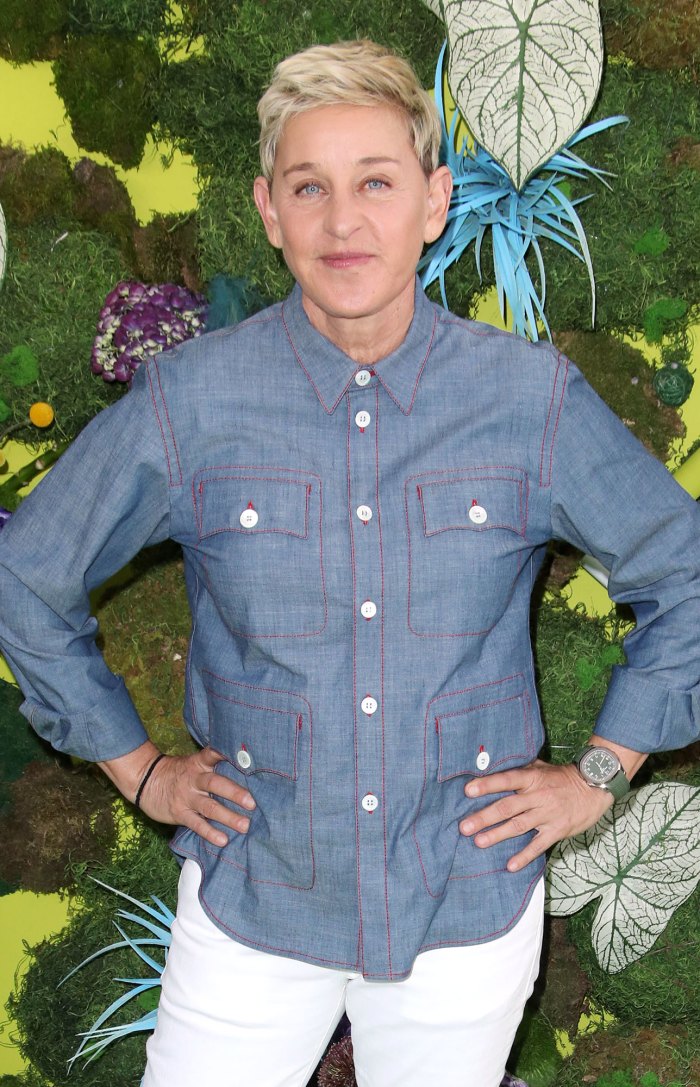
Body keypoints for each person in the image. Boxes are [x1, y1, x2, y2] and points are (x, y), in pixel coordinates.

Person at [1, 38, 699, 1087]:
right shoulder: (192, 403)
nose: (342, 222)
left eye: (375, 182)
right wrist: (138, 769)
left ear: (433, 201)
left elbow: (685, 575)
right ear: (268, 210)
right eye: (308, 187)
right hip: (254, 900)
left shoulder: (528, 401)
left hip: (464, 905)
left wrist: (599, 775)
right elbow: (26, 574)